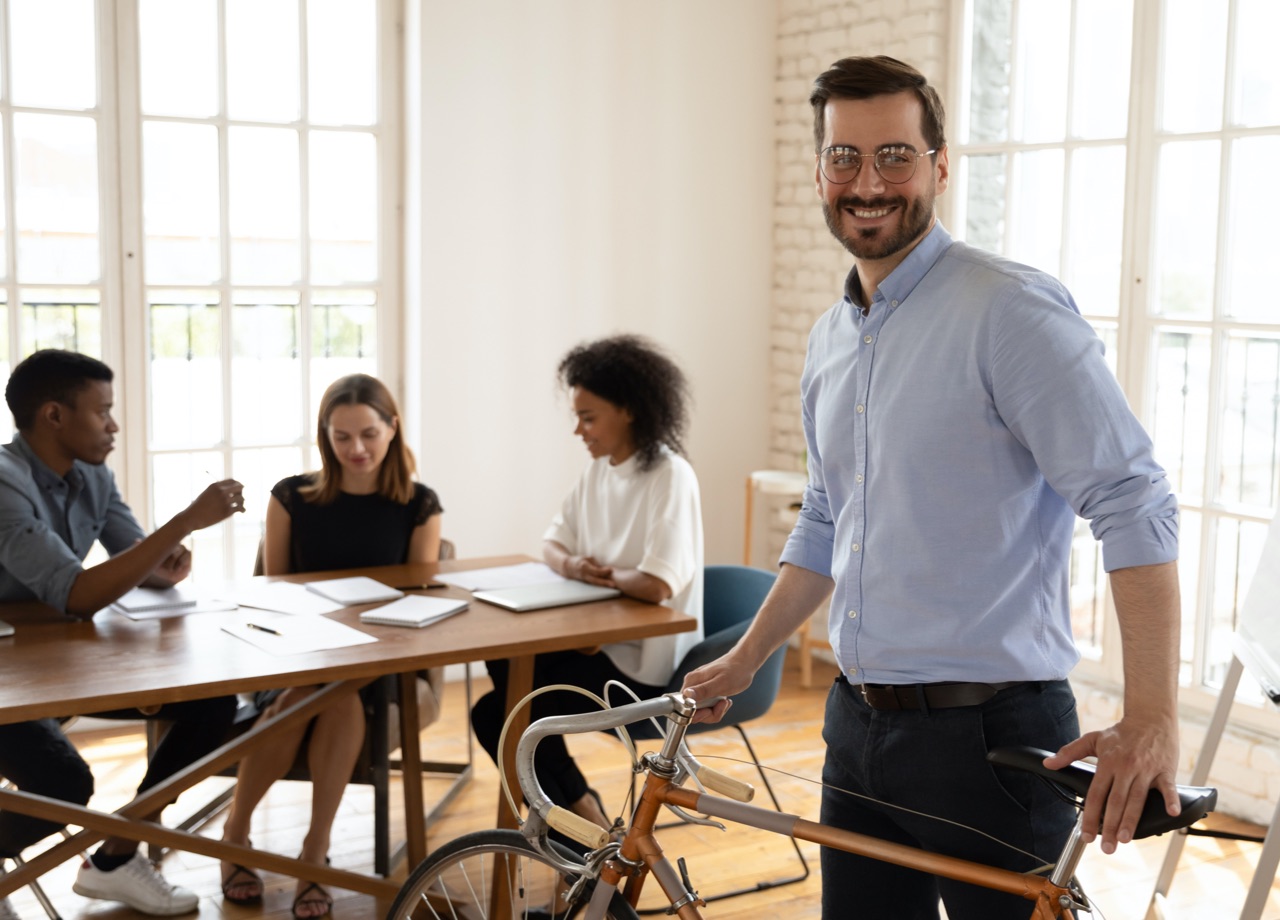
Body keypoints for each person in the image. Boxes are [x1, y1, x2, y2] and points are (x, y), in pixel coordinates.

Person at [683, 56, 1182, 920]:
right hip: (857, 729)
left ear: (940, 166)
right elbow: (828, 520)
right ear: (819, 171)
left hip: (990, 739)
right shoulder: (831, 340)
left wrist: (1151, 718)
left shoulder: (1010, 312)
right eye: (844, 157)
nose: (867, 182)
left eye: (894, 156)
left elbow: (1133, 501)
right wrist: (747, 656)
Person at [0, 349, 245, 918]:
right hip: (7, 679)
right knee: (63, 786)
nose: (113, 425)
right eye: (102, 411)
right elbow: (79, 595)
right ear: (54, 416)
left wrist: (166, 563)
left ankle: (116, 854)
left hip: (53, 665)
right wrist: (184, 521)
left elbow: (132, 555)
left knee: (211, 704)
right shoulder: (5, 481)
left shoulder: (93, 475)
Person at [217, 373, 442, 920]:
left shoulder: (420, 505)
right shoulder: (290, 497)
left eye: (368, 433)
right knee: (323, 694)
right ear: (325, 436)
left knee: (336, 694)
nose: (357, 449)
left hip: (383, 661)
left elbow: (418, 602)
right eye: (342, 437)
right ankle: (259, 840)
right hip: (298, 655)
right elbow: (273, 598)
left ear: (392, 428)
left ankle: (289, 847)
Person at [471, 334, 705, 837]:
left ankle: (579, 827)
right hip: (601, 648)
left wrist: (601, 575)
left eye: (589, 416)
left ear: (629, 411)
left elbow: (658, 583)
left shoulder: (670, 476)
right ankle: (586, 820)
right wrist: (576, 566)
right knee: (503, 689)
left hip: (642, 667)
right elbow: (552, 545)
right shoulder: (599, 471)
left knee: (504, 714)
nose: (578, 430)